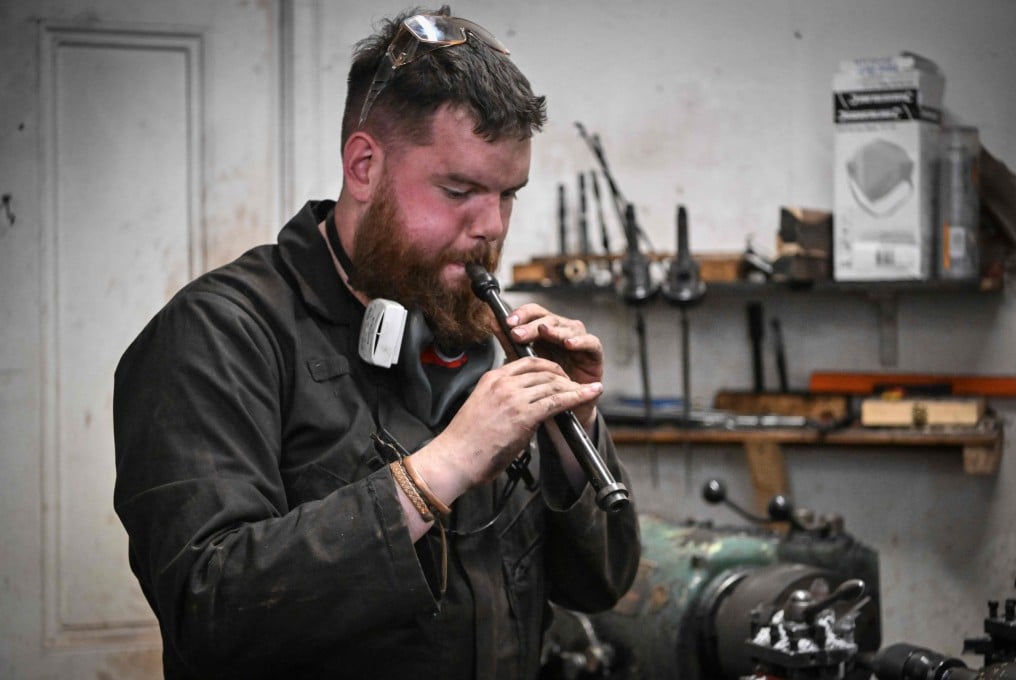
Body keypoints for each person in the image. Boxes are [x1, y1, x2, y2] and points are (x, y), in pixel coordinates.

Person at [113, 6, 640, 679]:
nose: (491, 227)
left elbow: (602, 585)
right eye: (459, 190)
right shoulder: (218, 335)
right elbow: (205, 607)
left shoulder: (472, 326)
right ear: (363, 167)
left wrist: (576, 434)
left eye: (509, 194)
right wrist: (443, 467)